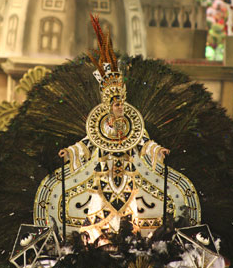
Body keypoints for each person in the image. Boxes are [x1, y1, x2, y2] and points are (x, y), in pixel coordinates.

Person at [58, 15, 170, 241]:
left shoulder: (133, 125)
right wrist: (70, 152)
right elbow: (87, 144)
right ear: (109, 105)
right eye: (116, 104)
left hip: (129, 177)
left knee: (133, 217)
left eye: (122, 103)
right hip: (102, 176)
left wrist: (157, 151)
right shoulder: (99, 126)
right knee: (96, 215)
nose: (120, 107)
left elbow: (143, 143)